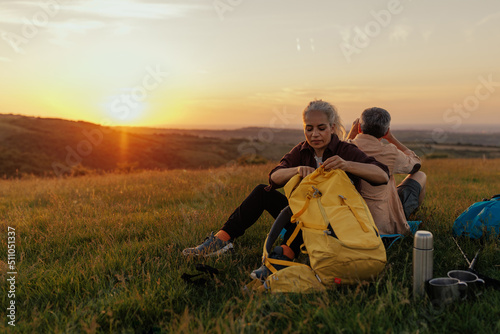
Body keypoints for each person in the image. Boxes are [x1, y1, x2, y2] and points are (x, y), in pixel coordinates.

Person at [182, 100, 390, 258]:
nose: (314, 134)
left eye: (321, 128)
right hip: (304, 215)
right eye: (309, 128)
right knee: (262, 192)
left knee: (309, 216)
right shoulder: (302, 150)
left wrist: (347, 165)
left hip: (335, 223)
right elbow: (274, 176)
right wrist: (297, 169)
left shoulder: (346, 150)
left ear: (332, 127)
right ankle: (222, 241)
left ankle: (287, 254)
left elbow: (382, 176)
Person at [346, 107, 427, 235]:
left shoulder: (345, 150)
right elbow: (416, 164)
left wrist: (351, 133)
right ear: (386, 131)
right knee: (420, 176)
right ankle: (405, 218)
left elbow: (341, 148)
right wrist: (391, 138)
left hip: (351, 217)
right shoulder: (390, 152)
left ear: (359, 128)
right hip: (382, 219)